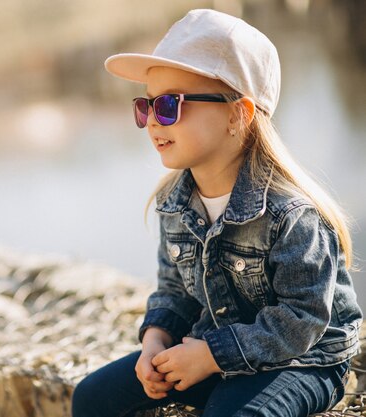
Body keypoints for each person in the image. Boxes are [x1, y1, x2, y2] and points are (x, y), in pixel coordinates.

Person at [71, 8, 362, 417]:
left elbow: (303, 319)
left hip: (305, 361)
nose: (154, 121)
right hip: (212, 347)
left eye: (170, 104)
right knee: (91, 398)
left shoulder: (292, 214)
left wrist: (211, 355)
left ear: (237, 114)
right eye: (146, 105)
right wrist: (156, 340)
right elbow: (174, 290)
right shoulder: (174, 201)